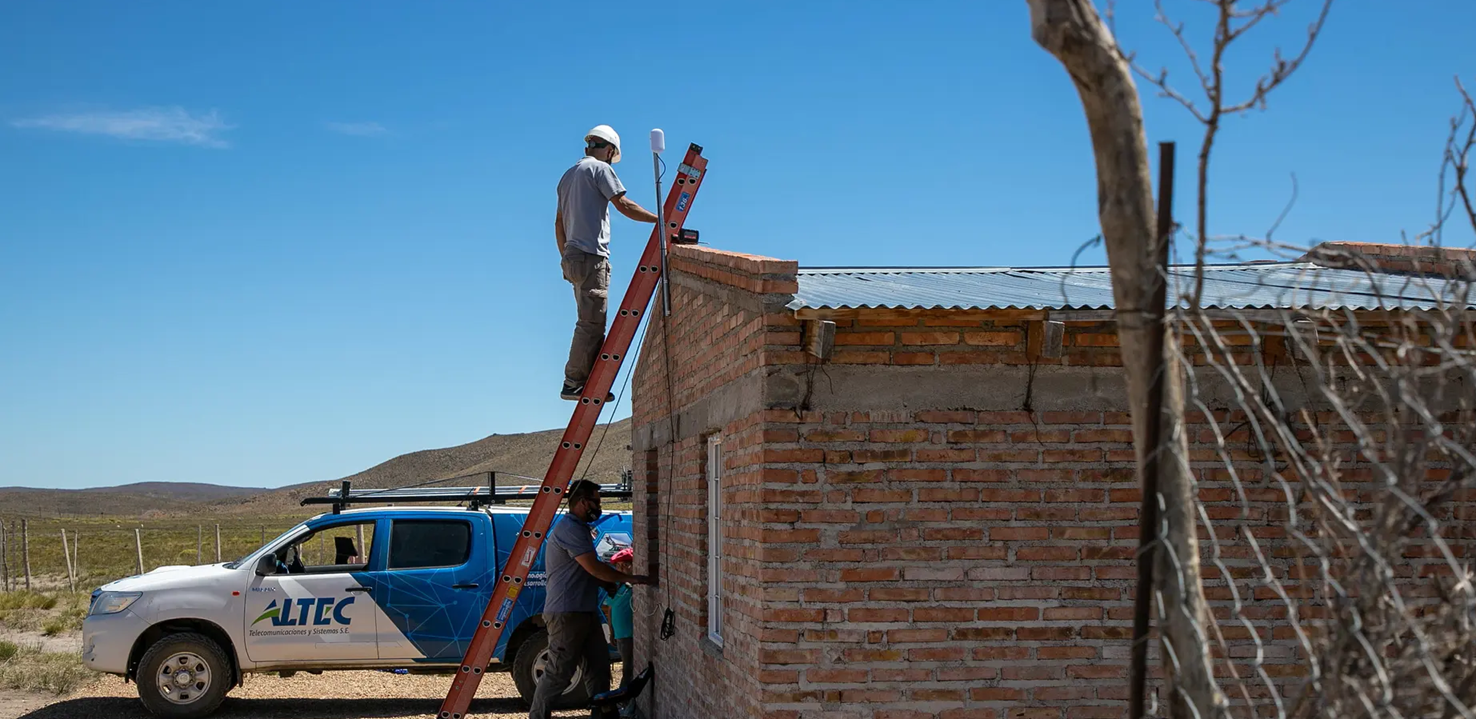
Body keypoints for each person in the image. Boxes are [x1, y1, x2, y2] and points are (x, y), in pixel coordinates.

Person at [529, 480, 651, 719]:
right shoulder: (570, 529)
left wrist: (607, 583)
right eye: (596, 501)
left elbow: (587, 570)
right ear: (583, 502)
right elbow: (593, 567)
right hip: (567, 614)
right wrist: (633, 578)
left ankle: (604, 715)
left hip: (584, 612)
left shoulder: (578, 528)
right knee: (558, 673)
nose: (599, 506)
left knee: (598, 670)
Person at [555, 125, 659, 401]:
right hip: (590, 257)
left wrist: (566, 255)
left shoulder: (567, 176)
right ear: (610, 151)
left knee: (588, 319)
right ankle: (574, 382)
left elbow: (558, 223)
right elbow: (624, 205)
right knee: (591, 322)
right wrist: (660, 221)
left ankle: (582, 380)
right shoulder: (600, 170)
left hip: (573, 257)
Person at [603, 548, 635, 687]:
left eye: (625, 565)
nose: (621, 569)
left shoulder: (633, 587)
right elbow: (610, 609)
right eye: (618, 566)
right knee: (627, 666)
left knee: (629, 668)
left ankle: (624, 695)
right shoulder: (617, 587)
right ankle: (624, 695)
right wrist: (611, 631)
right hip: (621, 634)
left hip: (629, 633)